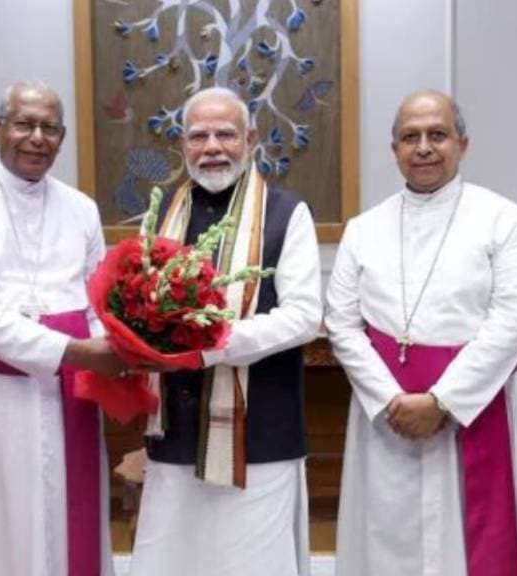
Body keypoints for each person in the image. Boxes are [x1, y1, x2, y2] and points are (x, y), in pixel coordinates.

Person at [325, 90, 517, 576]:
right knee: (385, 540)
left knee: (470, 548)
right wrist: (390, 400)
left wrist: (443, 402)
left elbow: (514, 317)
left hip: (474, 409)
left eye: (437, 135)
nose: (423, 147)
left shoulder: (502, 219)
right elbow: (341, 322)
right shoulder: (364, 229)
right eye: (410, 137)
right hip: (387, 417)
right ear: (394, 149)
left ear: (462, 143)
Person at [0, 80, 122, 576]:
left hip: (71, 397)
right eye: (24, 124)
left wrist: (115, 344)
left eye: (50, 128)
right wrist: (77, 352)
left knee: (66, 524)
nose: (37, 137)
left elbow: (97, 296)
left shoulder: (80, 208)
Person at [128, 87, 322, 576]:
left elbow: (304, 316)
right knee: (171, 562)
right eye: (199, 135)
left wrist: (208, 348)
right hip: (173, 435)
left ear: (251, 139)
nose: (212, 146)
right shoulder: (161, 219)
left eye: (225, 134)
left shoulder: (286, 212)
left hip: (261, 437)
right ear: (182, 145)